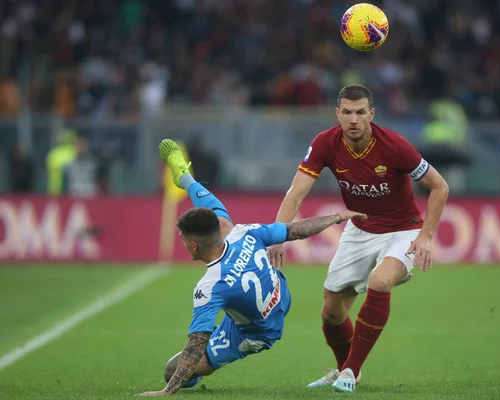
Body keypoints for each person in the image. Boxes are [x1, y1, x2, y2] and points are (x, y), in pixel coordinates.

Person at [137, 139, 366, 397]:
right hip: (281, 295)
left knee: (173, 369)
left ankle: (186, 180)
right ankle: (186, 179)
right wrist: (336, 217)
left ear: (193, 246)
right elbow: (294, 230)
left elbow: (196, 343)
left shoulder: (209, 287)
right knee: (221, 218)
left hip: (255, 332)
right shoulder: (245, 233)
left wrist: (168, 390)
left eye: (183, 241)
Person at [267, 84, 449, 392]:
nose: (354, 119)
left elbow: (439, 187)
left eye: (361, 112)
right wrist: (278, 235)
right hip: (359, 229)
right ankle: (343, 369)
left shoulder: (394, 146)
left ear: (371, 114)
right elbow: (296, 192)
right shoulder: (325, 143)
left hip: (402, 230)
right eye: (347, 113)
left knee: (380, 282)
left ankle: (351, 371)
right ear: (337, 114)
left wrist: (426, 237)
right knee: (331, 311)